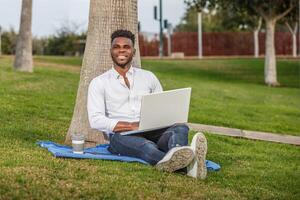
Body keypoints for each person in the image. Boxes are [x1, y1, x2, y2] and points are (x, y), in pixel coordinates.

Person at [87, 29, 207, 179]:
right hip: (121, 137)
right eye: (117, 47)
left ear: (133, 51)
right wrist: (132, 126)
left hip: (153, 131)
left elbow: (162, 108)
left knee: (180, 128)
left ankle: (179, 155)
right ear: (111, 51)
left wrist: (165, 118)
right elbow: (95, 120)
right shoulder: (99, 83)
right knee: (146, 147)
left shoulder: (148, 77)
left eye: (126, 47)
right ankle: (190, 164)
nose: (121, 50)